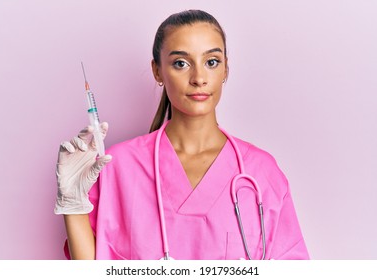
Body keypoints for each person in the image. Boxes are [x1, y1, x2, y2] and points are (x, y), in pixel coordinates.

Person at [54, 9, 309, 260]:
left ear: (225, 70)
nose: (199, 78)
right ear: (157, 71)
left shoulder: (261, 171)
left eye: (211, 62)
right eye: (181, 63)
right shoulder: (115, 167)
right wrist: (72, 205)